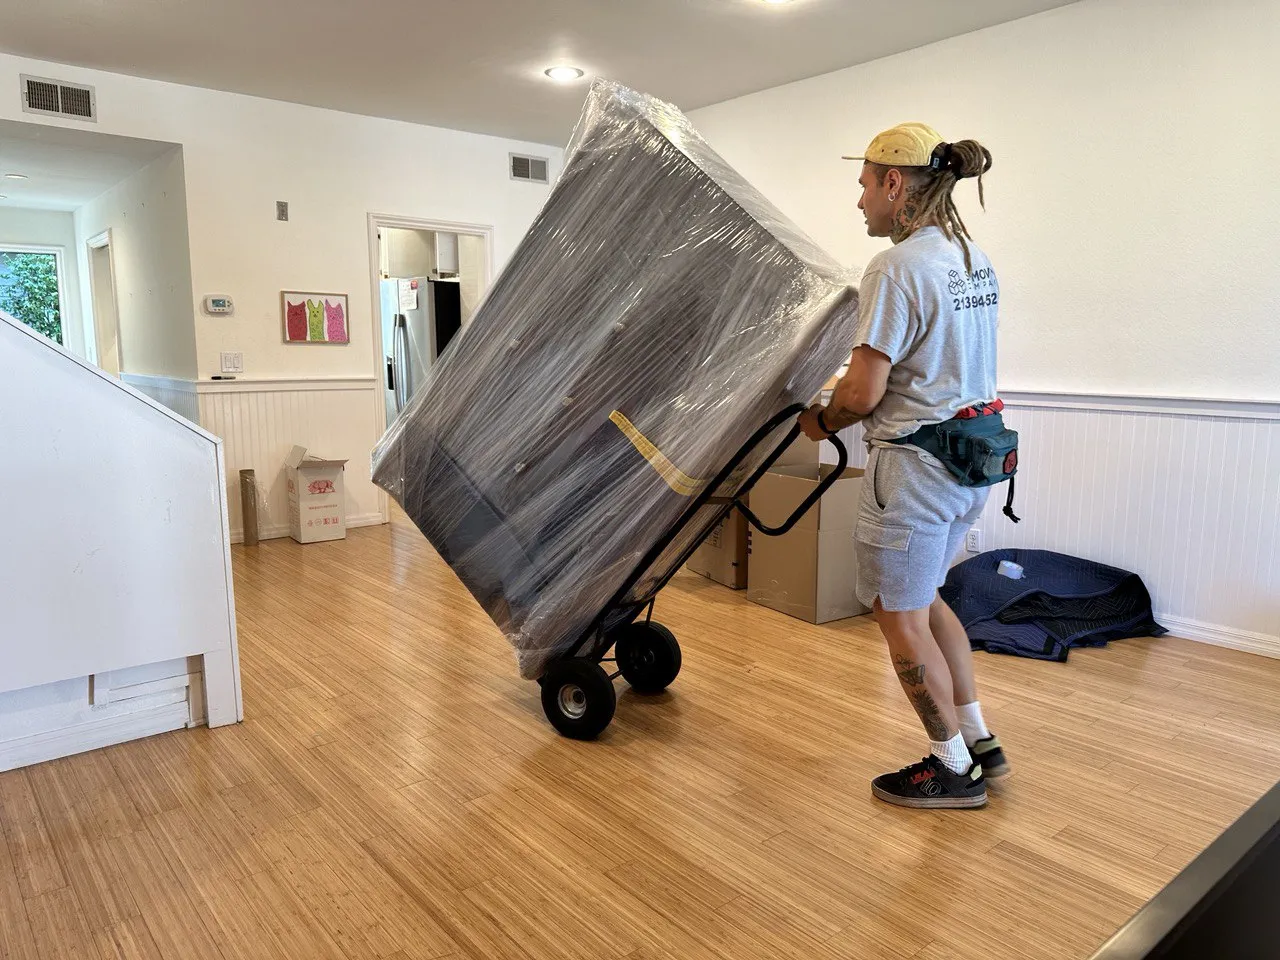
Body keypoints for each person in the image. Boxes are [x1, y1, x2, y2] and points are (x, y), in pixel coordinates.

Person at [798, 122, 1012, 809]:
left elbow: (862, 394)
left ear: (894, 183)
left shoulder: (896, 267)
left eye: (864, 184)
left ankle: (950, 766)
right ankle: (978, 740)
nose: (859, 200)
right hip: (971, 462)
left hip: (915, 472)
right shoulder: (972, 258)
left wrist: (820, 419)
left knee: (899, 616)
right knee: (925, 603)